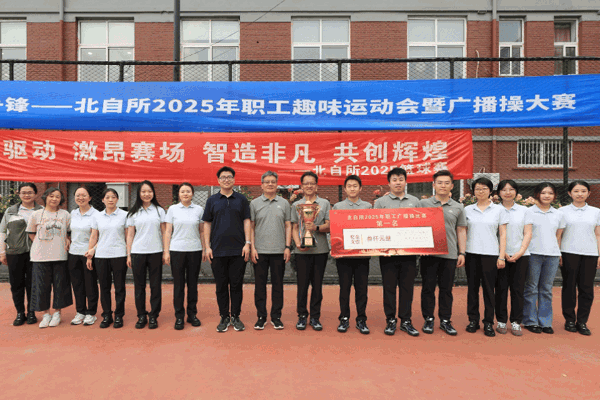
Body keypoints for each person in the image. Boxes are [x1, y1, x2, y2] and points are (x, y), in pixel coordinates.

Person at [203, 166, 251, 332]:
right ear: (218, 181)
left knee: (236, 285)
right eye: (223, 177)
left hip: (238, 250)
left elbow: (247, 221)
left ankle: (236, 316)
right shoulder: (212, 200)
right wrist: (207, 246)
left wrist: (247, 243)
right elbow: (207, 223)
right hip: (217, 250)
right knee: (221, 285)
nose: (226, 180)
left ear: (234, 180)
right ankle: (224, 316)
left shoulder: (242, 200)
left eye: (229, 177)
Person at [419, 170, 466, 336]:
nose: (443, 186)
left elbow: (461, 230)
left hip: (450, 254)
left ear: (452, 186)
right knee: (428, 288)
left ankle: (445, 320)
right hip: (428, 255)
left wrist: (462, 252)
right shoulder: (423, 204)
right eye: (439, 183)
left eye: (446, 183)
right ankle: (428, 319)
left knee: (446, 289)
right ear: (434, 185)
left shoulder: (458, 207)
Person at [374, 167, 420, 336]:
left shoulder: (415, 201)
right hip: (388, 253)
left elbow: (421, 224)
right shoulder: (380, 203)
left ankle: (406, 320)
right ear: (389, 183)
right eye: (394, 180)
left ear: (406, 182)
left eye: (401, 179)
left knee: (407, 287)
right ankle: (391, 320)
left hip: (409, 252)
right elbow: (374, 225)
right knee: (389, 287)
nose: (398, 182)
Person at [464, 177, 508, 337]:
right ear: (473, 191)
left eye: (484, 188)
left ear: (490, 191)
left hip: (491, 255)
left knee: (489, 290)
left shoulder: (499, 210)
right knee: (472, 289)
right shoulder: (467, 209)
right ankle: (473, 320)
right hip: (471, 253)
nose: (480, 191)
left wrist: (501, 256)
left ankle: (488, 322)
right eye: (477, 188)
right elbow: (463, 232)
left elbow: (502, 234)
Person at [250, 171, 292, 330]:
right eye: (267, 182)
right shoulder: (254, 203)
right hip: (259, 251)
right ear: (261, 185)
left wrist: (287, 247)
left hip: (279, 251)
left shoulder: (284, 203)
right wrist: (252, 247)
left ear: (277, 184)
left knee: (278, 285)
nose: (270, 184)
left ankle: (276, 317)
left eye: (273, 181)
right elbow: (251, 227)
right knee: (259, 286)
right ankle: (261, 316)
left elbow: (288, 225)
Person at [331, 175, 372, 334]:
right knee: (344, 288)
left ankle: (361, 319)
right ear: (345, 189)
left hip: (362, 256)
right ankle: (344, 318)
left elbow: (372, 229)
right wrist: (335, 249)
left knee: (362, 290)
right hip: (343, 256)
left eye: (355, 186)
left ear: (360, 188)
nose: (352, 188)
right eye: (349, 186)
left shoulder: (368, 207)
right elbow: (334, 230)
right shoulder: (338, 207)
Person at [26, 187, 73, 328]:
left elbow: (69, 232)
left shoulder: (65, 214)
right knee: (41, 287)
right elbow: (31, 233)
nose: (54, 199)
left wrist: (67, 239)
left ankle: (57, 313)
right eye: (51, 196)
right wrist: (41, 243)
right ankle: (45, 314)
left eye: (57, 196)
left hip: (60, 255)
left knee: (60, 286)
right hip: (40, 256)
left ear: (61, 199)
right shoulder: (36, 214)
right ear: (45, 197)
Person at [523, 182, 565, 334]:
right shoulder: (529, 212)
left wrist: (559, 253)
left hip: (552, 255)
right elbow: (526, 233)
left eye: (550, 193)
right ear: (537, 194)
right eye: (543, 193)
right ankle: (530, 320)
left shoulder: (559, 214)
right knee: (531, 288)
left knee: (546, 289)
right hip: (533, 254)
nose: (547, 196)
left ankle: (545, 322)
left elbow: (558, 236)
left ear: (554, 196)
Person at [291, 171, 331, 331]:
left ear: (317, 186)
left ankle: (315, 317)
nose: (309, 186)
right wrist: (298, 244)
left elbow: (329, 225)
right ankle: (302, 315)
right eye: (306, 183)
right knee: (302, 286)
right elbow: (294, 227)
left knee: (317, 285)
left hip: (320, 251)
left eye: (312, 183)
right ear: (301, 186)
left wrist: (316, 227)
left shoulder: (324, 203)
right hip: (301, 252)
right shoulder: (296, 205)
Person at [559, 181, 600, 336]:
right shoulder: (562, 211)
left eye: (583, 191)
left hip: (590, 254)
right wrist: (559, 253)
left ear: (589, 193)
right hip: (568, 252)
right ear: (569, 193)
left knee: (586, 288)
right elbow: (559, 235)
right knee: (569, 287)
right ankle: (569, 320)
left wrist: (599, 254)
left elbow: (598, 234)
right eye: (576, 191)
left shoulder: (596, 212)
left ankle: (582, 321)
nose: (580, 194)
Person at [163, 182, 204, 330]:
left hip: (195, 250)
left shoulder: (199, 209)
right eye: (182, 191)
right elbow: (168, 231)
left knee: (193, 284)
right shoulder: (172, 209)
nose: (185, 194)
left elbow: (202, 231)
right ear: (178, 194)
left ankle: (192, 314)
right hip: (177, 250)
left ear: (192, 193)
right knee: (179, 285)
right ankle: (179, 316)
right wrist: (166, 251)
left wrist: (204, 248)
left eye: (188, 191)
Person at [0, 183, 42, 326]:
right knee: (16, 284)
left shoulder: (41, 211)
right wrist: (2, 252)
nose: (26, 195)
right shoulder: (11, 211)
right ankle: (19, 312)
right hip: (14, 252)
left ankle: (31, 312)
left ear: (35, 194)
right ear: (19, 194)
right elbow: (2, 231)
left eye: (30, 192)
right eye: (23, 192)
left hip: (35, 253)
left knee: (33, 283)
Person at [126, 180, 166, 330]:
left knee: (155, 286)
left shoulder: (159, 211)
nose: (146, 194)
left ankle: (154, 315)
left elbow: (164, 232)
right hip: (138, 252)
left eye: (149, 191)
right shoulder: (133, 212)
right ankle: (141, 315)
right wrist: (129, 255)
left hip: (156, 252)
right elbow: (130, 235)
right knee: (139, 286)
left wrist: (165, 251)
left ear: (153, 193)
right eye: (143, 191)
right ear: (139, 193)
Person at [86, 188, 128, 329]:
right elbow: (94, 236)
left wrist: (129, 254)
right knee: (104, 287)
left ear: (117, 199)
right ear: (103, 200)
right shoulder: (97, 216)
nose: (110, 199)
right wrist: (90, 255)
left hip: (119, 254)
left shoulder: (124, 215)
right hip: (101, 256)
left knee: (119, 288)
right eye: (107, 197)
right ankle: (107, 315)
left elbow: (128, 236)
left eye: (113, 197)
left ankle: (119, 316)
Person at [495, 180, 532, 336]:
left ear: (516, 192)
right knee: (501, 289)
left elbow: (528, 233)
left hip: (521, 256)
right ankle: (501, 321)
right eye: (504, 190)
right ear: (498, 193)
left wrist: (520, 252)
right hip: (499, 256)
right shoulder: (494, 210)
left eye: (511, 189)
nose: (508, 192)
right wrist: (502, 252)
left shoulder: (524, 210)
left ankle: (516, 322)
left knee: (518, 290)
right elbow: (493, 234)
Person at [68, 186, 99, 326]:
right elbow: (69, 231)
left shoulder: (96, 214)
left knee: (90, 284)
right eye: (78, 195)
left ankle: (91, 313)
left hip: (89, 254)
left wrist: (92, 251)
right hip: (73, 253)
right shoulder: (73, 213)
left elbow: (99, 236)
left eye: (84, 195)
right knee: (77, 284)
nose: (80, 198)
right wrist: (67, 240)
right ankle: (80, 311)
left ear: (90, 197)